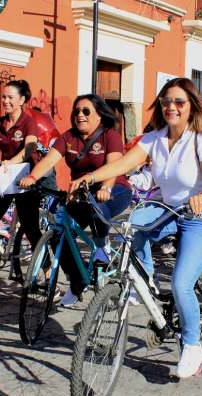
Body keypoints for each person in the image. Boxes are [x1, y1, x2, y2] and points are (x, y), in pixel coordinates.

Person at [70, 77, 202, 379]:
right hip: (166, 209)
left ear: (191, 106)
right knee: (131, 226)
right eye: (166, 101)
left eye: (179, 102)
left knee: (181, 284)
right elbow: (124, 164)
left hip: (200, 215)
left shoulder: (201, 137)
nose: (172, 107)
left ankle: (192, 346)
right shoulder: (154, 138)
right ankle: (146, 282)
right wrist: (91, 177)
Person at [20, 94, 132, 306]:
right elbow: (50, 160)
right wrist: (33, 177)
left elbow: (115, 165)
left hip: (114, 188)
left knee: (97, 205)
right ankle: (77, 282)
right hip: (80, 192)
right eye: (77, 111)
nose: (80, 115)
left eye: (86, 111)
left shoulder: (110, 135)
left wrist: (106, 186)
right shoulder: (68, 137)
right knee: (57, 230)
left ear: (99, 115)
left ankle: (101, 248)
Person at [0, 80, 45, 264]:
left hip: (26, 178)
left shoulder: (29, 122)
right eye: (4, 97)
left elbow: (30, 147)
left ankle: (45, 270)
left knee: (31, 228)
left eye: (10, 97)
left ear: (21, 100)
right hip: (5, 176)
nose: (5, 101)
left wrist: (12, 161)